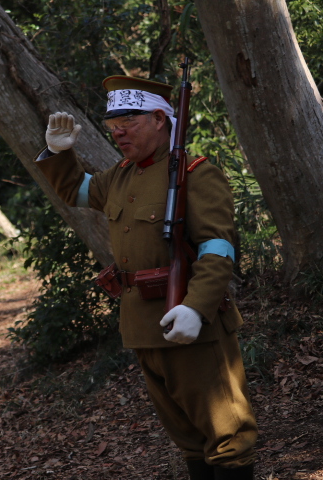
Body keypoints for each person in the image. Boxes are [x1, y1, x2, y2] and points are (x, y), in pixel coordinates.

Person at [34, 76, 258, 479]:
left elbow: (218, 249)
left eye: (128, 122)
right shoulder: (120, 176)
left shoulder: (197, 174)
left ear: (159, 119)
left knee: (228, 435)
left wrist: (197, 307)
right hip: (143, 327)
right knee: (188, 437)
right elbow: (77, 191)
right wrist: (57, 153)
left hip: (193, 325)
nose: (117, 132)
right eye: (112, 124)